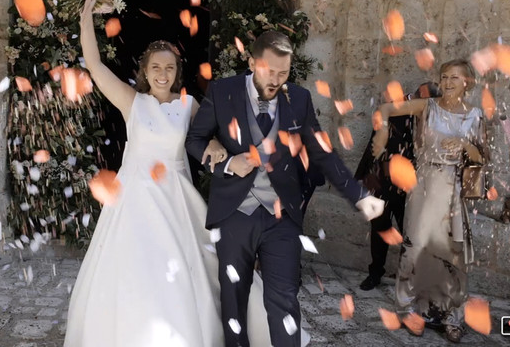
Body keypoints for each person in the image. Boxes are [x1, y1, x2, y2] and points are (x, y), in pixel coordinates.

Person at [65, 0, 295, 346]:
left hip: (174, 195)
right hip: (134, 198)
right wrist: (86, 17)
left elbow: (210, 137)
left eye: (169, 68)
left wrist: (225, 150)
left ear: (177, 73)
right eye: (156, 67)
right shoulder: (132, 102)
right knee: (132, 266)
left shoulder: (189, 105)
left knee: (193, 267)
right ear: (145, 71)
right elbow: (94, 65)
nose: (162, 73)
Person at [185, 30, 385, 347]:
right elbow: (194, 140)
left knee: (285, 300)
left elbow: (322, 153)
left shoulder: (299, 99)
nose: (277, 80)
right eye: (270, 71)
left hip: (281, 217)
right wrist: (226, 163)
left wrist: (359, 196)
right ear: (252, 62)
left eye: (284, 72)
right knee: (233, 300)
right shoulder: (222, 91)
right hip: (234, 214)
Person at [372, 59, 485, 343]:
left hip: (454, 191)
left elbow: (481, 158)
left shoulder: (475, 115)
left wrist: (464, 145)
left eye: (454, 78)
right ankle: (408, 309)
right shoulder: (428, 106)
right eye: (444, 77)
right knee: (415, 249)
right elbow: (386, 108)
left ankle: (452, 316)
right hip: (423, 186)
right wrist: (384, 130)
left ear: (467, 83)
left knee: (452, 256)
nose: (447, 82)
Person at [355, 82, 440, 291]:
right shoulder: (395, 109)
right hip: (383, 182)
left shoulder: (432, 117)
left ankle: (410, 276)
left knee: (410, 232)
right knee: (379, 229)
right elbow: (375, 144)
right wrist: (365, 176)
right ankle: (375, 273)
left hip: (412, 186)